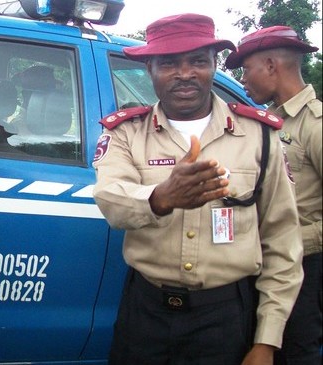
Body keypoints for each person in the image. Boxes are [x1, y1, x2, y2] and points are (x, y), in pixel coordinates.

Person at [92, 13, 304, 365]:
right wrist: (161, 198)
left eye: (198, 61)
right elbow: (110, 199)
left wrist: (267, 340)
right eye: (169, 63)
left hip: (226, 318)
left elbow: (283, 242)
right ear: (149, 69)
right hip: (146, 314)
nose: (185, 73)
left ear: (214, 64)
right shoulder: (124, 133)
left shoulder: (260, 136)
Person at [226, 26, 322, 365]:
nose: (243, 80)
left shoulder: (315, 125)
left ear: (270, 66)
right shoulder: (271, 123)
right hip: (267, 262)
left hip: (304, 268)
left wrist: (292, 238)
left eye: (246, 69)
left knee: (294, 352)